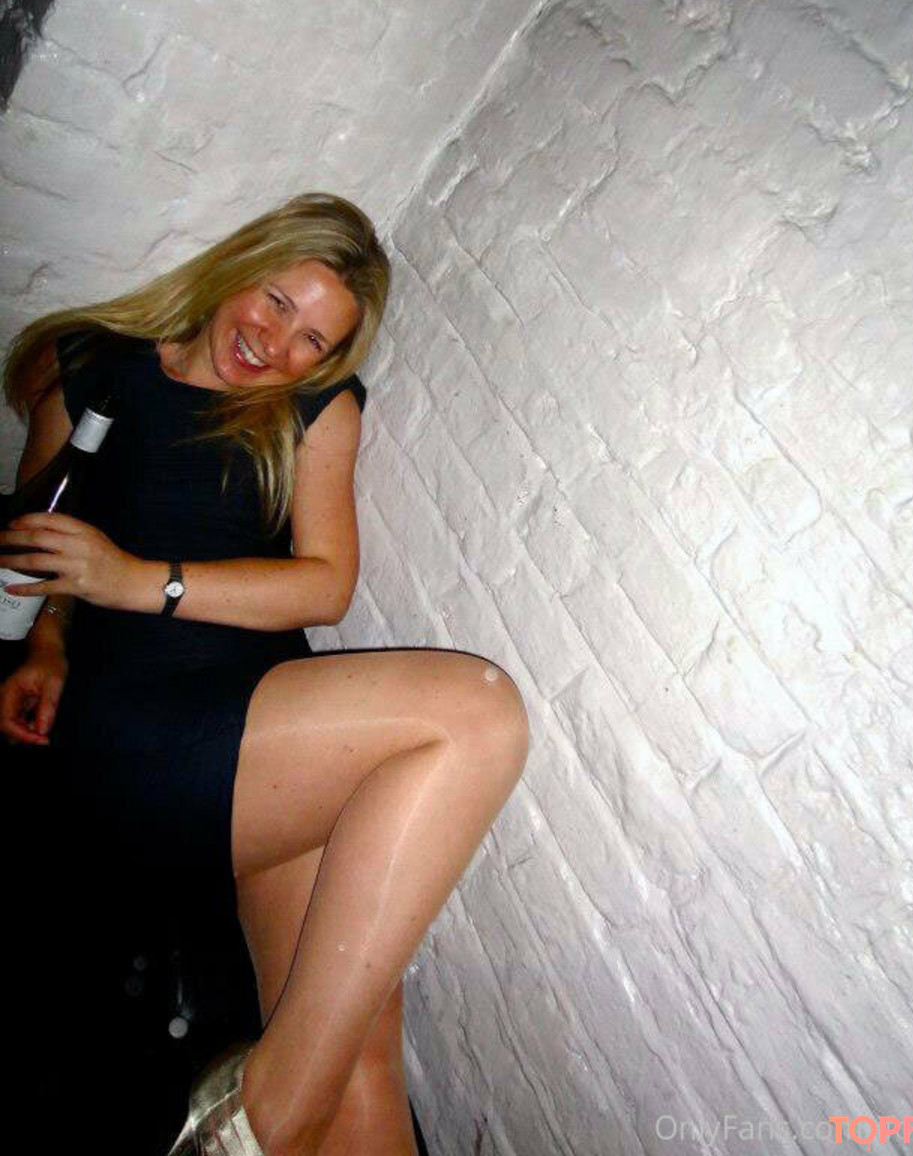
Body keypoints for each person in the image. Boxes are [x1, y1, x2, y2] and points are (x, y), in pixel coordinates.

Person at [0, 193, 530, 1156]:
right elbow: (44, 550)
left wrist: (137, 578)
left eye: (312, 340)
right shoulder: (90, 367)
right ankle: (265, 1117)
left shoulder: (319, 409)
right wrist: (47, 644)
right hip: (142, 725)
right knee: (475, 712)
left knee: (357, 1044)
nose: (278, 345)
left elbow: (325, 586)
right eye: (278, 302)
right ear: (241, 264)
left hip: (271, 729)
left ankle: (274, 1112)